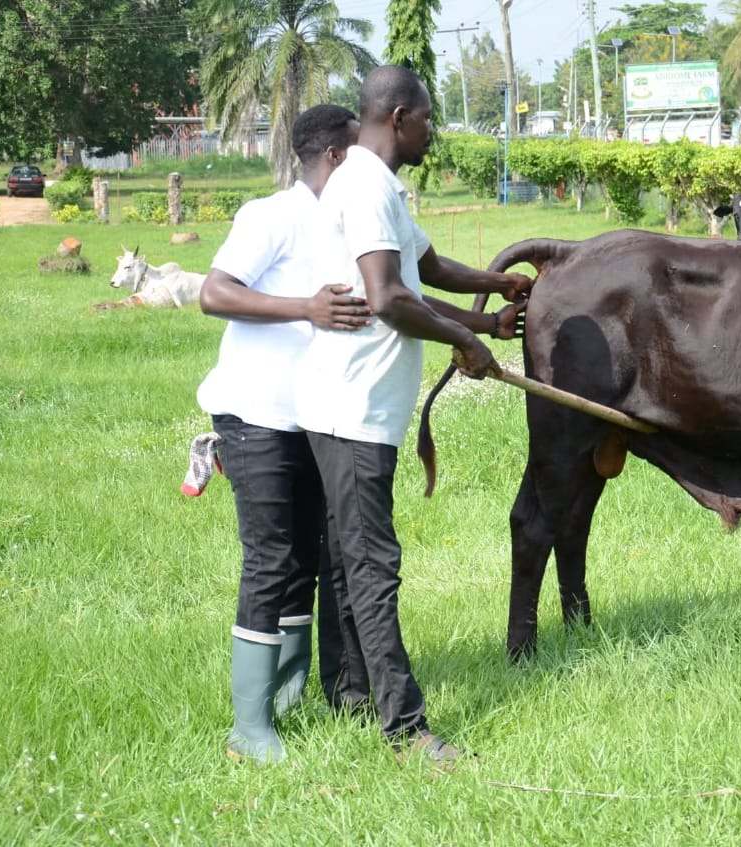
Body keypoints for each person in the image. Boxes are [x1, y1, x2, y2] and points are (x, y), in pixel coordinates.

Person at [294, 64, 531, 765]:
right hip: (351, 406)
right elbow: (389, 297)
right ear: (398, 117)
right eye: (428, 119)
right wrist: (464, 338)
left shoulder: (379, 186)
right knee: (371, 564)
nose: (434, 131)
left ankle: (351, 694)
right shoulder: (365, 184)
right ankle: (405, 729)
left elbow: (426, 266)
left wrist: (493, 297)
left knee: (344, 558)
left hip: (348, 405)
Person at [196, 104, 373, 764]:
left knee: (309, 555)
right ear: (334, 157)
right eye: (361, 154)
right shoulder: (271, 216)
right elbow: (215, 292)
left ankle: (290, 691)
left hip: (315, 418)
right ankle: (248, 725)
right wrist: (306, 307)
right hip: (256, 415)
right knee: (270, 557)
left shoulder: (342, 225)